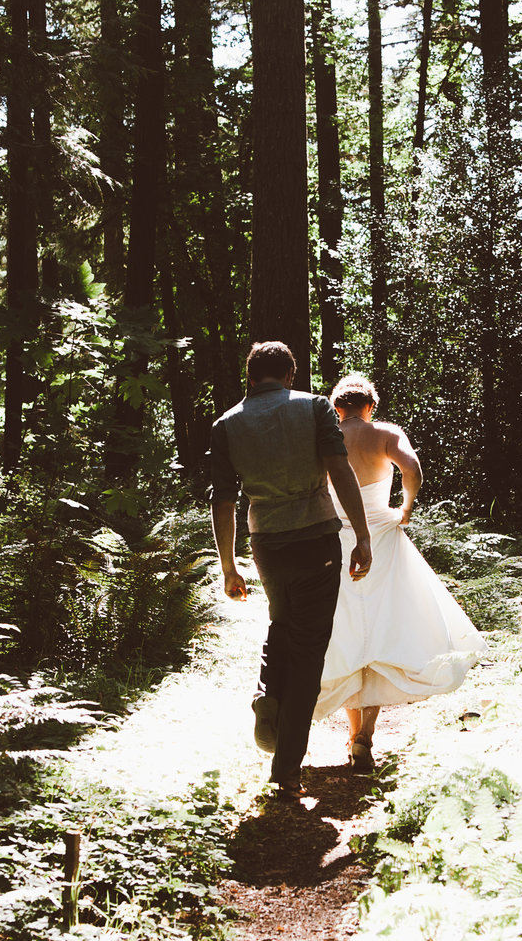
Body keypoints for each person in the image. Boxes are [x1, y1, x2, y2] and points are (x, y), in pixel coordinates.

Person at [207, 342, 376, 801]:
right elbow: (339, 470)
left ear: (250, 376)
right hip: (317, 537)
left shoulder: (226, 424)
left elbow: (222, 499)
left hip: (267, 542)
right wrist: (361, 535)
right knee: (309, 650)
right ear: (289, 373)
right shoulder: (315, 407)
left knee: (282, 624)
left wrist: (229, 566)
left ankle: (267, 689)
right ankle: (286, 770)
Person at [312, 374, 489, 773]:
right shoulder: (386, 433)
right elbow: (413, 469)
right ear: (370, 406)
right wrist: (405, 508)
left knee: (348, 631)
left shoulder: (323, 434)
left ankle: (356, 733)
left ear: (337, 408)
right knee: (383, 627)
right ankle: (364, 738)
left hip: (337, 537)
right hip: (382, 537)